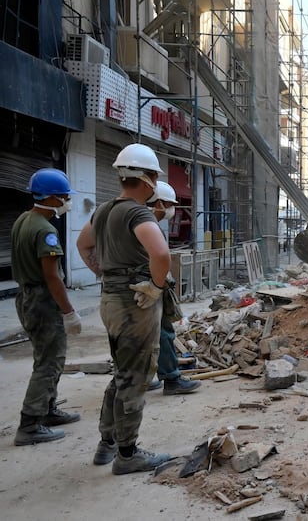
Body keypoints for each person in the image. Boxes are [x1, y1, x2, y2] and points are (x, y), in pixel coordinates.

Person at [76, 143, 172, 475]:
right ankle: (128, 454)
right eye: (154, 176)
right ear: (146, 178)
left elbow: (83, 244)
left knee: (121, 372)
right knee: (136, 376)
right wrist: (156, 286)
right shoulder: (137, 211)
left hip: (111, 300)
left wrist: (104, 274)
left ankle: (108, 444)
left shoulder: (102, 210)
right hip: (135, 304)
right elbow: (160, 255)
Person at [12, 168, 82, 446]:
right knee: (49, 362)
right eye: (64, 196)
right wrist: (69, 312)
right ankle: (30, 423)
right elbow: (52, 276)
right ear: (52, 198)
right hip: (42, 300)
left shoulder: (23, 220)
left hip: (27, 296)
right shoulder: (45, 230)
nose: (67, 201)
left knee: (47, 357)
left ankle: (47, 410)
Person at [145, 181, 201, 396]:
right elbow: (159, 258)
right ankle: (171, 378)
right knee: (164, 332)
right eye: (169, 204)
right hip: (148, 287)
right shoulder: (146, 223)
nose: (172, 210)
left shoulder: (127, 218)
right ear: (158, 203)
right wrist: (158, 285)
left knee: (136, 335)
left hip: (132, 287)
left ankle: (141, 377)